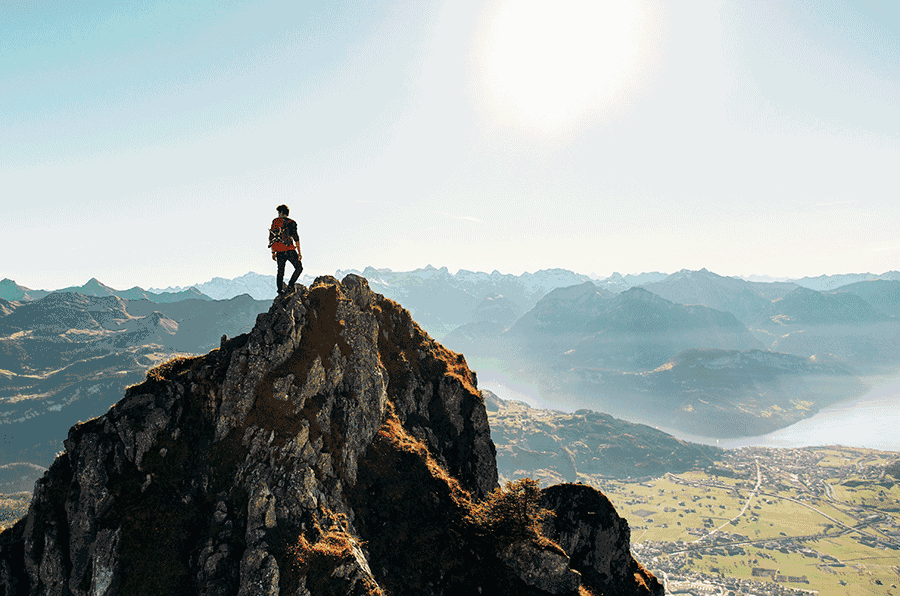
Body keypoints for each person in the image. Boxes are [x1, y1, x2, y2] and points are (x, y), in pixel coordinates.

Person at [269, 204, 303, 294]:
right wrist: (299, 252)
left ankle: (280, 290)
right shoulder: (292, 222)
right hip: (290, 250)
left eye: (278, 212)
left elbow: (271, 237)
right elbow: (296, 238)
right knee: (299, 268)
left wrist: (273, 252)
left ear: (280, 212)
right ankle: (291, 284)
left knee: (280, 271)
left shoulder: (275, 222)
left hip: (279, 251)